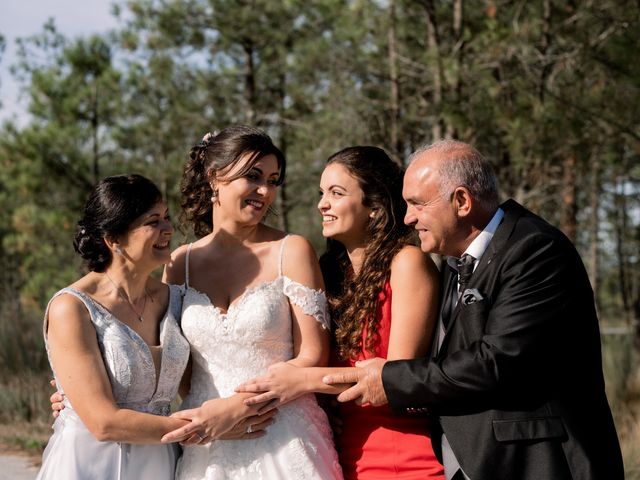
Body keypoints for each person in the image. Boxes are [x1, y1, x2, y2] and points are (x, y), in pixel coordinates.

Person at [322, 140, 624, 480]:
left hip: (537, 462)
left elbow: (498, 359)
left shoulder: (534, 249)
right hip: (472, 461)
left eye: (417, 204)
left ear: (462, 201)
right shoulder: (455, 262)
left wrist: (391, 379)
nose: (407, 218)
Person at [39, 174, 271, 480]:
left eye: (166, 217)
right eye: (153, 221)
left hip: (162, 461)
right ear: (114, 239)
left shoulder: (177, 298)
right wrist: (207, 427)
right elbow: (103, 423)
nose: (168, 229)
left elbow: (220, 361)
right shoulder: (72, 308)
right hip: (91, 463)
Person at [236, 146, 444, 479]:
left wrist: (303, 380)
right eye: (322, 193)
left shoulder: (407, 264)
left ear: (374, 207)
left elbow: (395, 382)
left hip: (401, 459)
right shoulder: (329, 272)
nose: (322, 204)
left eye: (337, 193)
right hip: (336, 456)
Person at [160, 126, 343, 479]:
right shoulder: (179, 264)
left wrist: (237, 407)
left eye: (274, 180)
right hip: (207, 441)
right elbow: (176, 368)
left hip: (282, 433)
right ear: (214, 177)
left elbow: (312, 356)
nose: (265, 191)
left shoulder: (291, 251)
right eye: (253, 177)